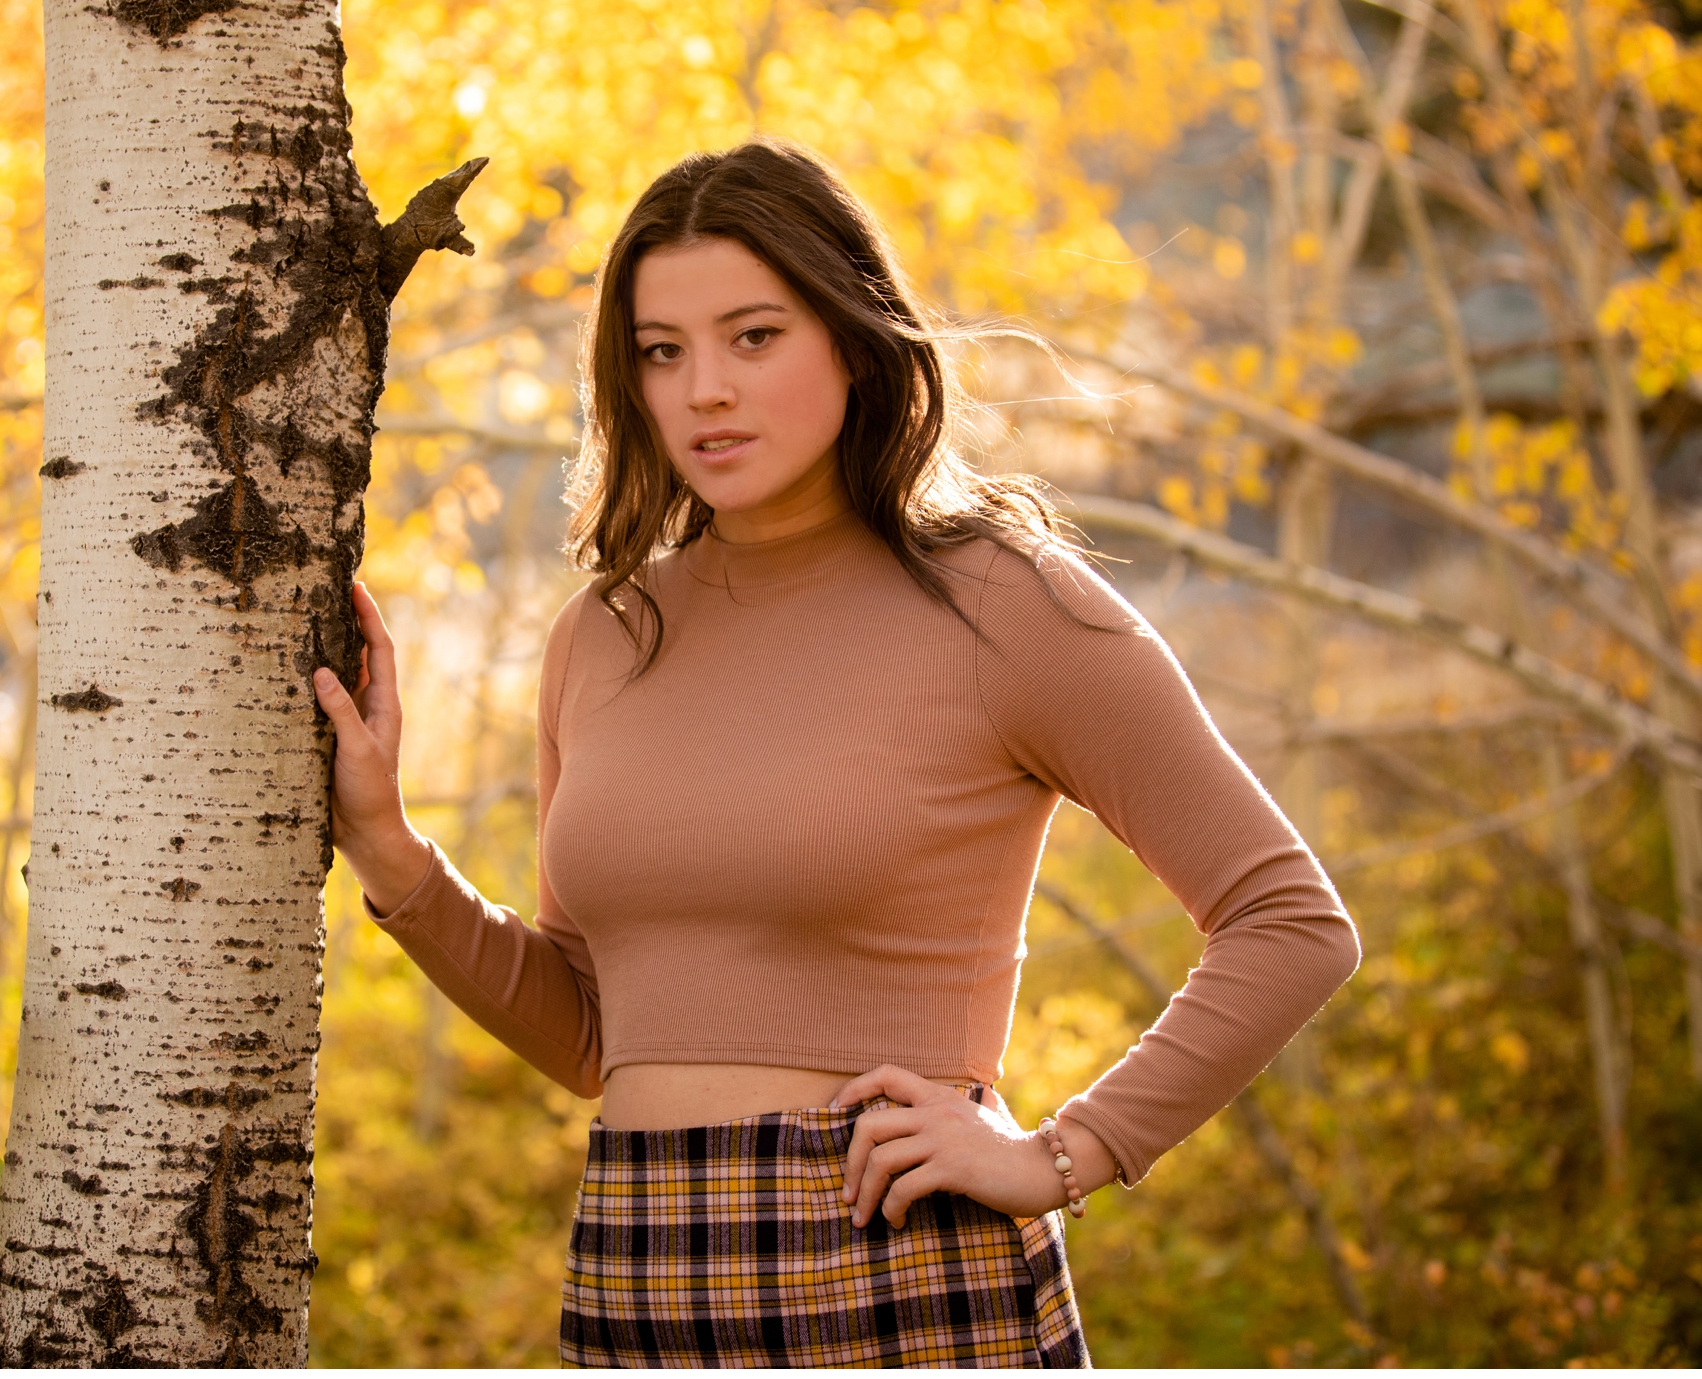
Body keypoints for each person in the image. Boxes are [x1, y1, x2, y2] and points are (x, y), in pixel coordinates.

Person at [312, 137, 1361, 1368]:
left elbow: (1291, 923)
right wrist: (391, 853)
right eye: (663, 350)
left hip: (891, 1258)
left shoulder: (1005, 602)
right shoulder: (602, 633)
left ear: (856, 344)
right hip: (636, 1269)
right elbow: (598, 1037)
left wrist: (1061, 1156)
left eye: (754, 337)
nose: (705, 388)